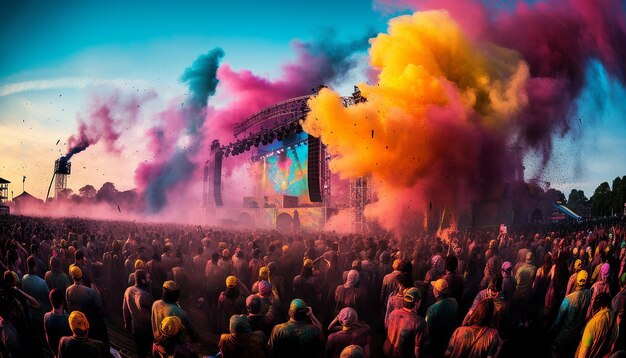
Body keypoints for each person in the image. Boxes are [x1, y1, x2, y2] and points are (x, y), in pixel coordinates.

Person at [550, 270, 592, 358]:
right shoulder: (588, 294)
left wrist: (551, 330)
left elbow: (559, 319)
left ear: (576, 281)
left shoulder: (569, 299)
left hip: (564, 335)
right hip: (576, 335)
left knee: (556, 353)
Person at [65, 265, 109, 347]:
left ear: (72, 276)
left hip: (78, 324)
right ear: (81, 276)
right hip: (93, 323)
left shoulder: (68, 290)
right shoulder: (90, 292)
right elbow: (100, 308)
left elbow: (69, 308)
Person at [384, 287, 428, 358]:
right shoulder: (419, 322)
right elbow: (418, 349)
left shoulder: (393, 313)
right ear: (417, 302)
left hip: (387, 352)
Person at [122, 269, 154, 358]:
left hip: (135, 329)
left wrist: (127, 325)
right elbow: (153, 316)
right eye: (147, 278)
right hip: (148, 330)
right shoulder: (146, 296)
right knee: (152, 352)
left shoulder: (128, 291)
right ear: (143, 280)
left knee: (141, 353)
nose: (149, 280)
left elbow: (125, 310)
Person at [576, 293, 618, 358]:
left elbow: (584, 353)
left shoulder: (593, 323)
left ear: (600, 306)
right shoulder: (615, 324)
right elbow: (612, 349)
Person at [426, 278, 458, 357]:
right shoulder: (454, 302)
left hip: (436, 343)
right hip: (450, 340)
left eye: (433, 288)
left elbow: (427, 329)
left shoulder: (432, 309)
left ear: (436, 292)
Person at [44, 288, 72, 357]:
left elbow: (48, 337)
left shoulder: (46, 317)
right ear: (63, 301)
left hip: (56, 351)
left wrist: (54, 352)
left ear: (50, 300)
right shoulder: (68, 319)